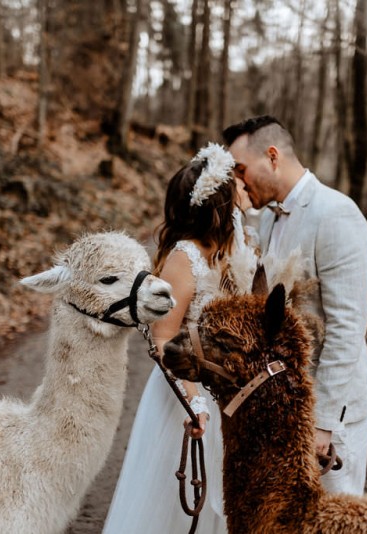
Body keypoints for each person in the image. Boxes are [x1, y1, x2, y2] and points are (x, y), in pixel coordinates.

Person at [102, 143, 252, 534]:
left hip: (227, 392)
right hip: (186, 396)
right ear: (218, 204)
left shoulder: (229, 251)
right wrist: (194, 402)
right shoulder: (184, 258)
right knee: (175, 509)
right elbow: (163, 339)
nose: (242, 192)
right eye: (235, 187)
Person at [223, 115, 367, 495]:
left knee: (332, 517)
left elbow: (347, 327)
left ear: (272, 157)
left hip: (332, 409)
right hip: (283, 400)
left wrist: (323, 422)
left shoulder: (336, 215)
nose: (237, 182)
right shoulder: (269, 220)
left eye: (241, 170)